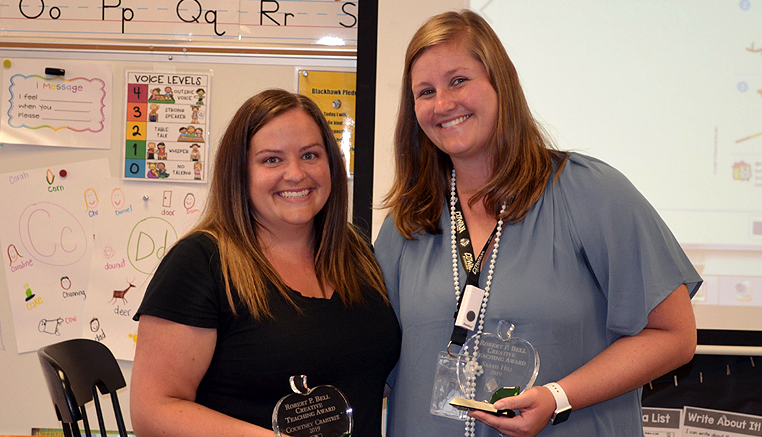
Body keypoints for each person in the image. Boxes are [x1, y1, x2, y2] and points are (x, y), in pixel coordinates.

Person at [375, 10, 701, 437]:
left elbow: (675, 335)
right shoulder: (406, 223)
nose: (443, 104)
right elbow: (368, 359)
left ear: (501, 83)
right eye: (425, 91)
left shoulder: (590, 192)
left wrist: (558, 397)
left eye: (459, 81)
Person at [131, 88, 401, 437]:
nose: (295, 174)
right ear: (239, 174)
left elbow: (367, 376)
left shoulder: (358, 254)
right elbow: (153, 411)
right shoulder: (200, 264)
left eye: (310, 155)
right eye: (271, 160)